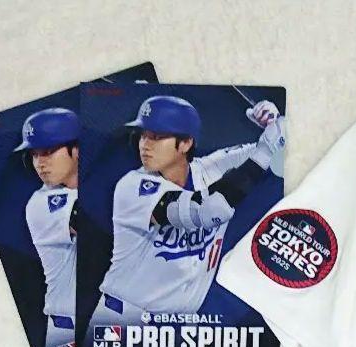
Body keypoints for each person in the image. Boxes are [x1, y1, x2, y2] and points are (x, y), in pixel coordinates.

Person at [89, 95, 285, 330]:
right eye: (143, 135)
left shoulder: (210, 168)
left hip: (181, 326)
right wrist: (266, 147)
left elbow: (278, 160)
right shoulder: (133, 187)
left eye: (157, 136)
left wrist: (275, 127)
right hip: (122, 322)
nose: (145, 144)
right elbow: (209, 209)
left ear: (185, 143)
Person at [15, 107, 79, 347]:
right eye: (34, 154)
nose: (40, 163)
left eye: (48, 151)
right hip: (70, 334)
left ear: (77, 150)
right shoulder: (41, 204)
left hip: (121, 321)